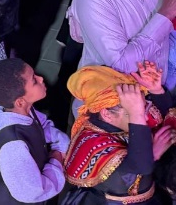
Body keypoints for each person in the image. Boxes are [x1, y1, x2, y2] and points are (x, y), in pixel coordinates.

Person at [64, 64, 176, 204]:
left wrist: (156, 90)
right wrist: (152, 154)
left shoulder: (120, 119)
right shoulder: (92, 143)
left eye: (142, 109)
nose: (144, 118)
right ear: (107, 114)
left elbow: (162, 119)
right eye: (135, 112)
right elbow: (139, 167)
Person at [0, 59, 68, 204]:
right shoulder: (13, 144)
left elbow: (41, 126)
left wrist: (60, 141)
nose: (41, 78)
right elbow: (33, 192)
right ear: (20, 102)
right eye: (34, 81)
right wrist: (56, 158)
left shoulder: (22, 110)